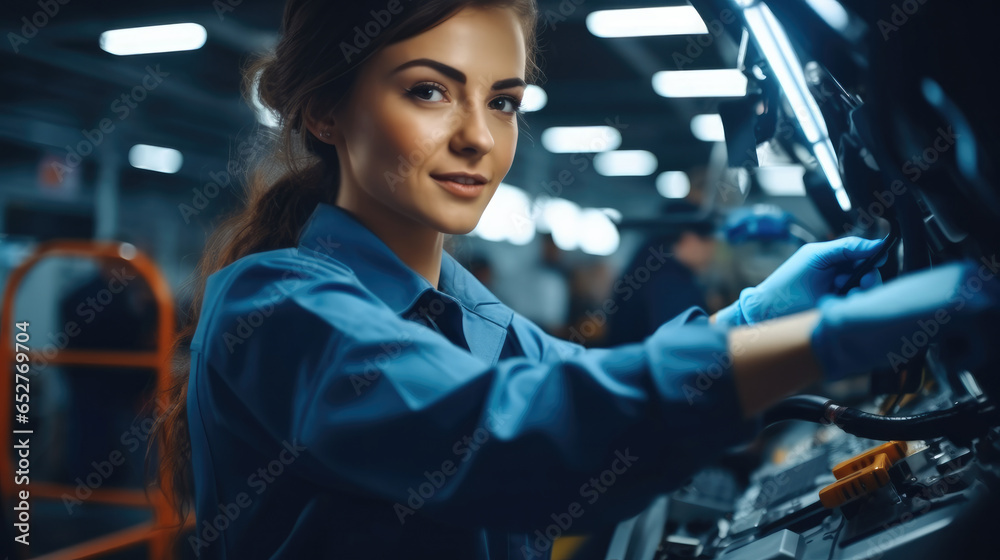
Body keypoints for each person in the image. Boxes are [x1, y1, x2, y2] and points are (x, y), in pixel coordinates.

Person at [149, 1, 999, 558]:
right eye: (429, 92)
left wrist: (758, 315)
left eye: (505, 100)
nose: (480, 137)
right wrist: (822, 341)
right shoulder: (273, 304)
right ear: (324, 113)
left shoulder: (470, 313)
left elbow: (572, 385)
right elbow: (507, 435)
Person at [602, 201, 719, 347]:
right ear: (688, 238)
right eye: (709, 240)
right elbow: (684, 347)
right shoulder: (671, 282)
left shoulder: (647, 268)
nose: (712, 250)